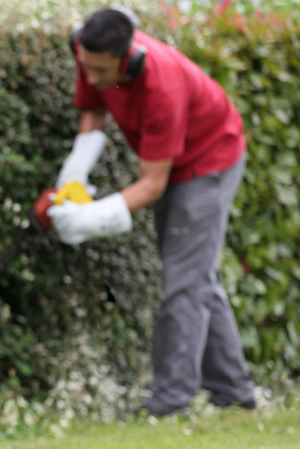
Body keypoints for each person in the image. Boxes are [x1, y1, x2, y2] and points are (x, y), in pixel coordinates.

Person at [47, 7, 255, 416]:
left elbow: (152, 184)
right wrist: (76, 169)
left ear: (129, 60)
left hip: (208, 161)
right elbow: (93, 109)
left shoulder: (163, 85)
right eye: (85, 66)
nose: (91, 77)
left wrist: (89, 220)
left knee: (184, 281)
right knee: (195, 275)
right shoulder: (88, 50)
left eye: (101, 70)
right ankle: (234, 389)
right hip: (175, 164)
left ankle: (169, 400)